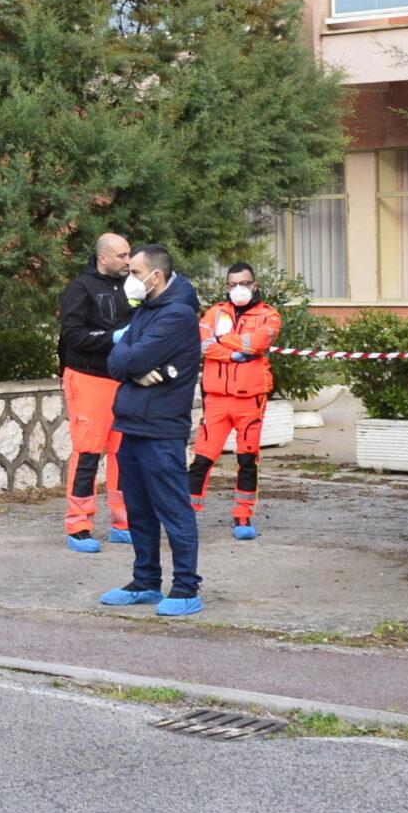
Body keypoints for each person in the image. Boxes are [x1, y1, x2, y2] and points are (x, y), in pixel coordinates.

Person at [99, 246, 204, 617]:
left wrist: (132, 362)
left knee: (173, 509)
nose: (129, 277)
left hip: (161, 431)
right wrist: (133, 369)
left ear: (154, 277)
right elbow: (115, 360)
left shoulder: (177, 315)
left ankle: (186, 587)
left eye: (134, 270)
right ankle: (145, 582)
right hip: (132, 425)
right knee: (139, 510)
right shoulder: (145, 310)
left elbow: (133, 356)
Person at [56, 233, 134, 552]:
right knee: (88, 453)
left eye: (129, 255)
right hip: (88, 379)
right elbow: (73, 335)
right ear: (103, 258)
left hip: (123, 380)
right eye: (122, 256)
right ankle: (78, 525)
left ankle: (123, 522)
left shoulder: (133, 287)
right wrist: (113, 338)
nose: (128, 261)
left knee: (124, 455)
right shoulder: (79, 289)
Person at [194, 261, 281, 540]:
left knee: (247, 459)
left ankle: (243, 515)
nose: (238, 289)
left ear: (254, 285)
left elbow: (257, 343)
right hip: (217, 399)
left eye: (243, 283)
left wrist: (224, 339)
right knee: (202, 460)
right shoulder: (214, 312)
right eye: (232, 284)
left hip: (250, 400)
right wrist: (232, 353)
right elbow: (202, 344)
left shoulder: (269, 315)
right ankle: (187, 512)